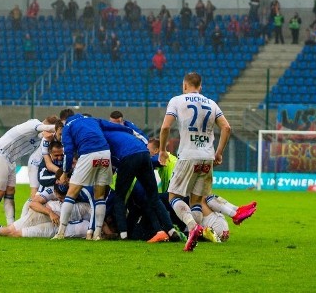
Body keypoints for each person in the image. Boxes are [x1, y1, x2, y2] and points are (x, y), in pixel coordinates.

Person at [158, 71, 232, 252]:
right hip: (207, 157)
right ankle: (195, 236)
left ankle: (192, 227)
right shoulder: (211, 103)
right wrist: (219, 153)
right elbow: (226, 127)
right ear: (200, 86)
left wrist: (162, 150)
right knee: (197, 200)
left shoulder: (177, 100)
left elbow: (166, 126)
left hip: (188, 155)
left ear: (184, 85)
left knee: (173, 196)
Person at [95, 117, 180, 243]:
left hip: (128, 158)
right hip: (144, 154)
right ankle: (171, 231)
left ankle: (123, 235)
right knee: (153, 197)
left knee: (119, 198)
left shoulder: (103, 137)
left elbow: (109, 158)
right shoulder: (123, 132)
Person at [0, 117, 57, 224]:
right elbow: (46, 128)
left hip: (10, 159)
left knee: (10, 191)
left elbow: (45, 135)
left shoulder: (40, 136)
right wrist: (63, 128)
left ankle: (11, 223)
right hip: (0, 153)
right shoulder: (33, 123)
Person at [52, 110, 111, 240]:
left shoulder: (68, 126)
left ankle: (61, 233)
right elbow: (112, 126)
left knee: (71, 193)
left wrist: (65, 172)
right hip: (106, 154)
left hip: (88, 154)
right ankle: (97, 234)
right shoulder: (92, 120)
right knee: (100, 196)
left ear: (63, 120)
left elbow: (68, 152)